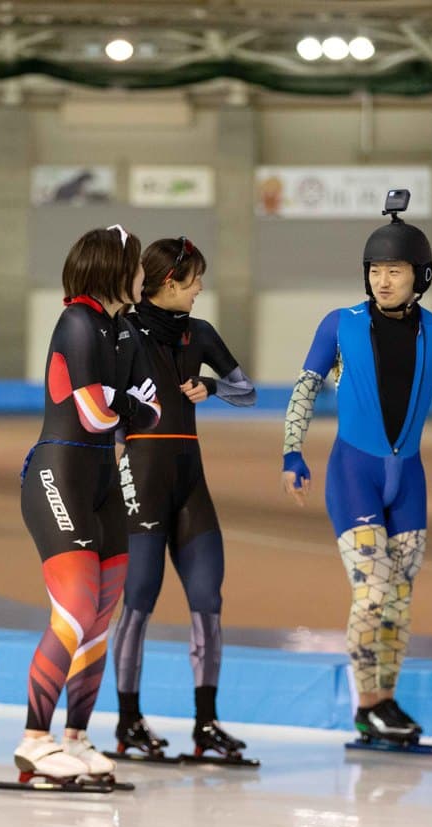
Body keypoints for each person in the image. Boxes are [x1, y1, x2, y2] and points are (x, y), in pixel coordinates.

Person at [280, 193, 432, 745]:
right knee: (374, 594)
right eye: (375, 271)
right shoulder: (340, 325)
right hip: (353, 475)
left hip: (408, 481)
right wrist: (292, 451)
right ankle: (365, 707)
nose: (383, 281)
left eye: (395, 271)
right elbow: (304, 389)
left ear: (420, 276)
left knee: (399, 601)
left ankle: (386, 700)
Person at [14, 225, 162, 784]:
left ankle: (74, 738)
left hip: (103, 484)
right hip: (60, 477)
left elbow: (151, 411)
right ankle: (34, 740)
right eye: (136, 264)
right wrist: (125, 404)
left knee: (99, 621)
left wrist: (123, 404)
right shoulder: (77, 321)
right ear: (114, 269)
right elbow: (96, 414)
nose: (143, 274)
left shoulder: (124, 329)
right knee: (75, 611)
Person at [110, 237, 257, 761]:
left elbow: (248, 392)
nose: (200, 289)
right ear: (169, 282)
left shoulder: (202, 333)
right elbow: (101, 403)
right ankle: (128, 722)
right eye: (194, 280)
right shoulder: (123, 331)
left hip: (190, 483)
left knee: (208, 602)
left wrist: (212, 387)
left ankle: (206, 724)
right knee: (138, 601)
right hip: (143, 483)